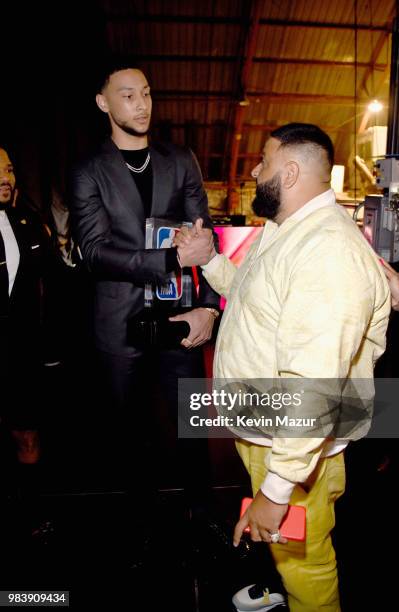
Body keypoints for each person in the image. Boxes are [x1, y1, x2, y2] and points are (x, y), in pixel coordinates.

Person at [174, 123, 391, 611]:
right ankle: (284, 590)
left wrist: (277, 487)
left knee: (306, 560)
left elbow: (314, 388)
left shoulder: (327, 253)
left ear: (290, 172)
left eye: (264, 162)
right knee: (285, 550)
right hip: (272, 432)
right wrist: (210, 259)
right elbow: (258, 302)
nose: (254, 171)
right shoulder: (287, 230)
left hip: (296, 447)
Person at [68, 62, 219, 517]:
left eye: (147, 94)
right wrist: (170, 259)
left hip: (181, 315)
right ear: (104, 103)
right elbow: (94, 252)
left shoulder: (181, 160)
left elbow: (205, 241)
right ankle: (140, 526)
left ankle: (204, 522)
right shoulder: (88, 170)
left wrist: (209, 309)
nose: (141, 104)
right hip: (120, 322)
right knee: (131, 438)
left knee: (193, 429)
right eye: (129, 95)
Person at [0, 146, 54, 467]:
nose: (5, 178)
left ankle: (32, 514)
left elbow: (53, 285)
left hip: (19, 355)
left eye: (8, 170)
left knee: (28, 437)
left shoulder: (28, 221)